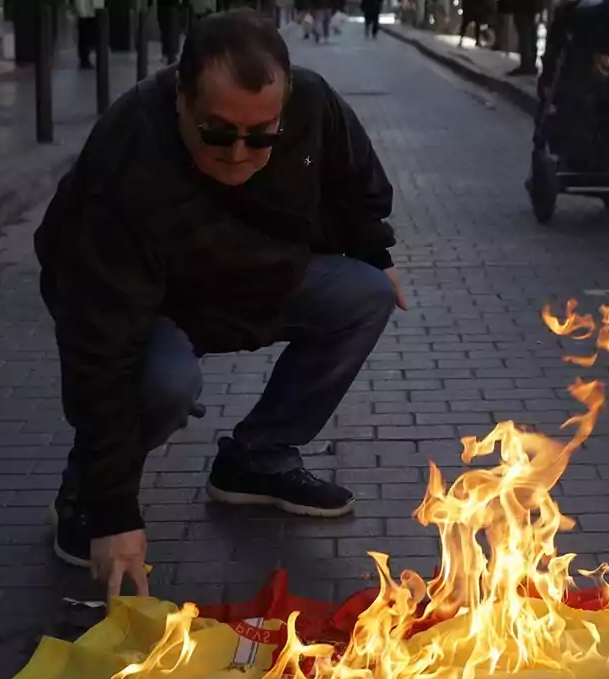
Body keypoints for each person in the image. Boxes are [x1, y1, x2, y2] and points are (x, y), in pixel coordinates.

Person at [34, 9, 402, 597]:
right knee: (164, 382)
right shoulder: (124, 163)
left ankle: (258, 458)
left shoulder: (312, 102)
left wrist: (376, 255)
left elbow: (358, 183)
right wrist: (113, 514)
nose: (239, 152)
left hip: (251, 277)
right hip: (145, 303)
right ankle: (83, 490)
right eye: (218, 132)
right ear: (181, 99)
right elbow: (100, 350)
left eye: (262, 135)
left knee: (365, 295)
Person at [500, 0, 540, 76]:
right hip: (528, 6)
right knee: (527, 27)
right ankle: (529, 62)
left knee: (525, 28)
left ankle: (527, 63)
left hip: (523, 5)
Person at [74, 0, 102, 69]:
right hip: (86, 12)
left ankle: (85, 58)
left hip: (90, 11)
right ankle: (84, 59)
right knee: (85, 34)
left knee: (88, 34)